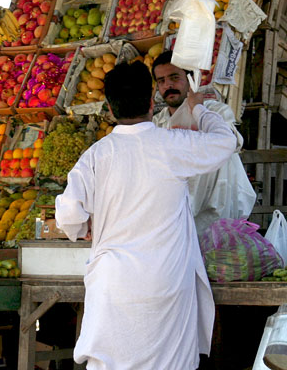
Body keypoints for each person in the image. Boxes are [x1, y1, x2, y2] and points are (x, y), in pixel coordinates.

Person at [55, 61, 238, 370]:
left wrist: (84, 226)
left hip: (113, 283)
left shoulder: (96, 156)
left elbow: (69, 214)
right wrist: (199, 110)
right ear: (152, 100)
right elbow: (226, 142)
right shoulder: (172, 145)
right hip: (165, 283)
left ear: (110, 109)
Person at [152, 50, 256, 235]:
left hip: (219, 212)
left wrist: (197, 109)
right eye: (161, 81)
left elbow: (231, 142)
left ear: (191, 80)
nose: (168, 85)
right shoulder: (157, 123)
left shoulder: (215, 111)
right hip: (181, 216)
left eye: (174, 77)